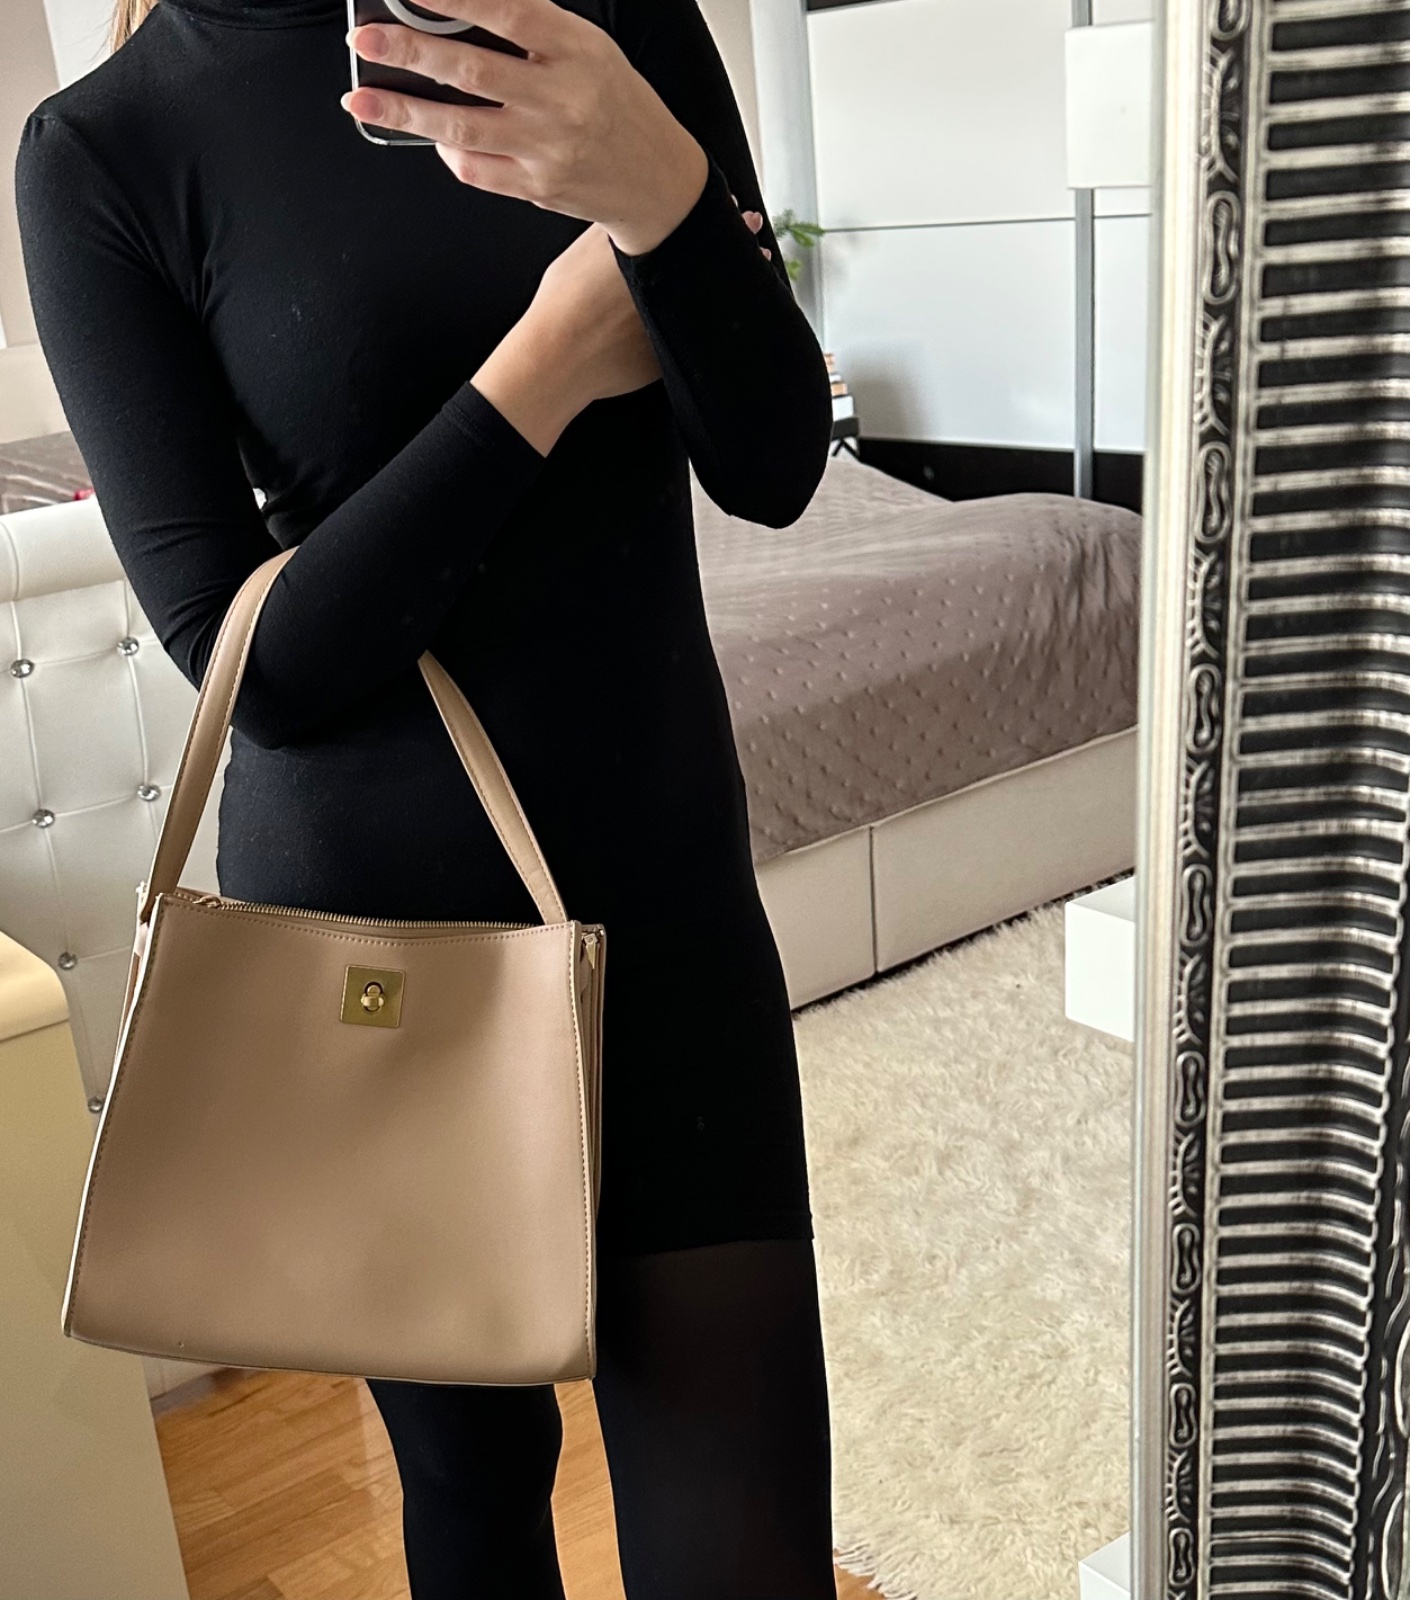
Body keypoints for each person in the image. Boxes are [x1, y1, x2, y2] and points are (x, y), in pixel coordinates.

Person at [14, 0, 837, 1593]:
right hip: (375, 957)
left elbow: (776, 464)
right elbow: (251, 662)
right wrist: (545, 365)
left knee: (741, 1546)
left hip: (661, 899)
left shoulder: (598, 20)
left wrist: (664, 199)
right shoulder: (108, 150)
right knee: (472, 1509)